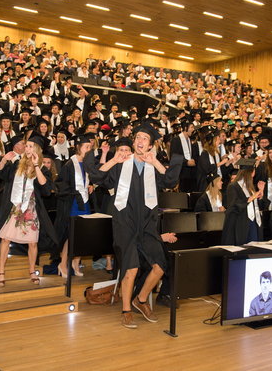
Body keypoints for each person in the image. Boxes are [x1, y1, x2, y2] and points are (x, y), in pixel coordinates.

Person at [84, 122, 182, 329]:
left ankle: (142, 299)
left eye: (145, 139)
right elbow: (97, 177)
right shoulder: (121, 163)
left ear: (150, 145)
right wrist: (114, 160)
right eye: (137, 137)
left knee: (160, 266)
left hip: (147, 223)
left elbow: (171, 180)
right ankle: (127, 309)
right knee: (132, 267)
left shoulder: (152, 166)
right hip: (125, 222)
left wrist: (155, 161)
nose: (140, 141)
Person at [0, 135, 58, 286]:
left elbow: (45, 188)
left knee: (33, 243)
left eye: (30, 146)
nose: (27, 149)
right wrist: (3, 160)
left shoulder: (41, 168)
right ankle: (1, 271)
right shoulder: (16, 165)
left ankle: (32, 271)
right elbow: (0, 173)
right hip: (14, 207)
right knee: (5, 238)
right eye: (26, 146)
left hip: (31, 209)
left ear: (37, 150)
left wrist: (35, 166)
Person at [53, 135, 94, 278]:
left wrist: (90, 185)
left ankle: (75, 263)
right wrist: (74, 191)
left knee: (81, 235)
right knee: (70, 235)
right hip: (73, 204)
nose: (89, 150)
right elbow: (61, 185)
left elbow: (90, 179)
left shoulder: (88, 164)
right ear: (78, 148)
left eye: (90, 147)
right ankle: (63, 263)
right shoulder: (70, 164)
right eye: (86, 147)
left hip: (85, 202)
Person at [222, 159, 265, 246]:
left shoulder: (250, 187)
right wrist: (250, 198)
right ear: (252, 172)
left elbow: (257, 206)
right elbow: (232, 206)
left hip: (253, 222)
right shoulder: (233, 186)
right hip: (240, 224)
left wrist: (261, 193)